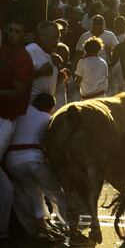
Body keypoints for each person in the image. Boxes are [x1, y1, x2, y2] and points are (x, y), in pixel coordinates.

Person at [5, 93, 67, 241]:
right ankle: (71, 226)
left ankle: (40, 227)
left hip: (13, 162)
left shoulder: (21, 114)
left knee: (33, 194)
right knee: (56, 194)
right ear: (50, 108)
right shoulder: (48, 119)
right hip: (34, 159)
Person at [0, 16, 33, 244]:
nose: (12, 34)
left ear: (24, 35)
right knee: (6, 188)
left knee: (6, 188)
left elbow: (19, 93)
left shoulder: (22, 58)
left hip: (5, 122)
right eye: (10, 30)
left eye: (17, 31)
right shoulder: (4, 52)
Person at [74, 15, 119, 95]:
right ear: (92, 24)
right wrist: (76, 66)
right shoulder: (85, 36)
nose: (97, 27)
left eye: (99, 24)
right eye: (95, 24)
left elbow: (118, 50)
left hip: (105, 66)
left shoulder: (110, 35)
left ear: (103, 25)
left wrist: (110, 52)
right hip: (87, 68)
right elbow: (78, 52)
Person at [26, 21, 60, 101]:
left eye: (58, 37)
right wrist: (40, 73)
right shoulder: (30, 51)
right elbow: (18, 78)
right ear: (41, 37)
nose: (56, 41)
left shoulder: (51, 54)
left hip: (45, 107)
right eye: (53, 37)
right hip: (30, 106)